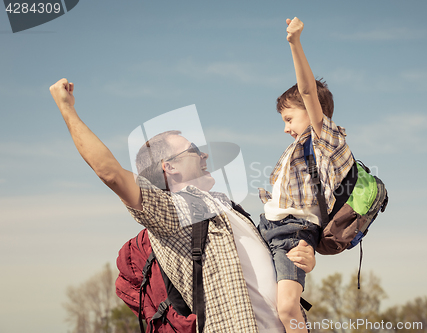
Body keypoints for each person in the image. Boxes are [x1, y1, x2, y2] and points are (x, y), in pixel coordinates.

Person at [49, 78, 316, 333]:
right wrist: (66, 108)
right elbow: (111, 174)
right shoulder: (172, 212)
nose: (205, 154)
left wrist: (301, 257)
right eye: (194, 149)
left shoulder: (228, 207)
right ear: (170, 166)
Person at [258, 18, 355, 333]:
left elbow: (308, 91)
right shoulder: (293, 150)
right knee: (263, 304)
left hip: (292, 235)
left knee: (286, 307)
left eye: (288, 118)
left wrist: (294, 43)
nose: (285, 128)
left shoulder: (325, 141)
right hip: (266, 228)